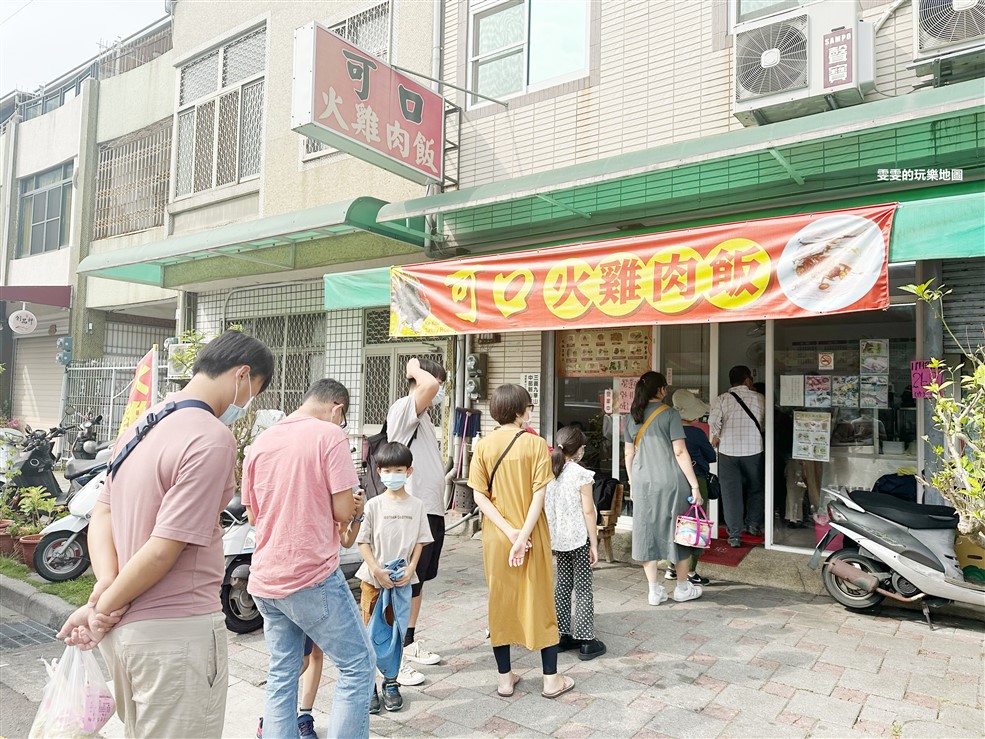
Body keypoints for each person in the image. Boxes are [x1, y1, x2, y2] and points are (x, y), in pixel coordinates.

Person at [57, 330, 275, 738]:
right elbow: (163, 549)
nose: (248, 403)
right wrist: (103, 604)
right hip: (177, 635)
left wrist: (106, 587)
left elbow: (101, 513)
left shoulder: (142, 424)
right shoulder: (210, 438)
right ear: (242, 375)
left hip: (125, 637)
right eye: (255, 391)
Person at [242, 379, 375, 739]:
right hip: (310, 575)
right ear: (337, 408)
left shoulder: (262, 441)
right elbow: (343, 510)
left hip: (265, 579)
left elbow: (254, 516)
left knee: (283, 671)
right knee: (358, 665)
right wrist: (354, 508)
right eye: (342, 418)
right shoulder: (328, 436)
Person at [467, 384, 574, 699]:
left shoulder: (484, 446)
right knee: (540, 602)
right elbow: (539, 495)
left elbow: (478, 496)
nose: (530, 411)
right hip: (533, 535)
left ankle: (504, 679)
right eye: (528, 407)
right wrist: (523, 535)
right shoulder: (536, 444)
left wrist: (510, 533)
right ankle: (551, 680)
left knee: (499, 601)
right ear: (519, 411)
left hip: (497, 537)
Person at [256, 486, 364, 739]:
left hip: (306, 585)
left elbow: (346, 540)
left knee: (314, 656)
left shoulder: (329, 510)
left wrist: (356, 516)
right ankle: (273, 718)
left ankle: (303, 715)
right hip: (309, 587)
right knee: (300, 663)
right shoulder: (311, 503)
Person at [355, 442, 433, 715]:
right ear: (379, 472)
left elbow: (421, 542)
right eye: (387, 470)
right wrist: (376, 570)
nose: (393, 474)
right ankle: (370, 686)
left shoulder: (417, 505)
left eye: (398, 469)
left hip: (401, 581)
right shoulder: (374, 505)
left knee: (395, 633)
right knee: (370, 634)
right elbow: (362, 542)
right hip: (373, 582)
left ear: (409, 471)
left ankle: (391, 682)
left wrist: (411, 568)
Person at [385, 357, 447, 685]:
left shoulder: (421, 417)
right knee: (402, 581)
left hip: (429, 511)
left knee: (418, 581)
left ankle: (407, 643)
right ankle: (392, 658)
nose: (439, 392)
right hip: (411, 514)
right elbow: (430, 385)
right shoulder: (404, 409)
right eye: (437, 384)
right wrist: (413, 367)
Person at [624, 372, 705, 605]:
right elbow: (680, 452)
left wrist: (632, 481)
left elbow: (629, 454)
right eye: (665, 388)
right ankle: (681, 588)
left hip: (642, 483)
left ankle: (653, 591)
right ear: (659, 390)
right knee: (679, 532)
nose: (666, 391)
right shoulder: (670, 414)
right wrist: (695, 485)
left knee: (646, 533)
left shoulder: (633, 416)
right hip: (671, 482)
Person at [544, 425, 605, 661]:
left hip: (557, 539)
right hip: (578, 539)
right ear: (578, 449)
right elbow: (588, 511)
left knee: (562, 585)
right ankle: (586, 638)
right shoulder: (581, 474)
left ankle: (561, 634)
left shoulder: (549, 472)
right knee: (583, 588)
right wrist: (594, 543)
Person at [709, 365, 766, 548]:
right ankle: (753, 525)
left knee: (730, 493)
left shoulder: (722, 399)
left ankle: (734, 535)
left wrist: (716, 437)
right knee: (756, 488)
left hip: (728, 452)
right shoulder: (759, 398)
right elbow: (764, 424)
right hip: (754, 450)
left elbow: (713, 422)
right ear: (747, 379)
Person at [670, 389, 715, 586]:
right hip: (696, 482)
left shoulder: (669, 431)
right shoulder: (696, 432)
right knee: (695, 525)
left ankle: (672, 567)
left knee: (676, 523)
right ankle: (691, 571)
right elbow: (712, 457)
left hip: (674, 482)